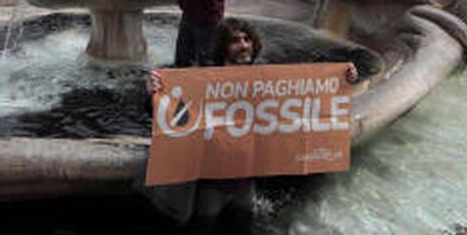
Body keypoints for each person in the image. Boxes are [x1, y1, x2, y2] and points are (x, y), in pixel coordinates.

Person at [144, 18, 359, 223]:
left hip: (245, 185)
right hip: (211, 187)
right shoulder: (202, 81)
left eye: (247, 40)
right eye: (235, 41)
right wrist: (154, 92)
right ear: (222, 48)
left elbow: (309, 101)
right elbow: (166, 115)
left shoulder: (265, 81)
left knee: (244, 234)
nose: (243, 45)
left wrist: (343, 80)